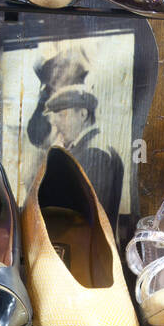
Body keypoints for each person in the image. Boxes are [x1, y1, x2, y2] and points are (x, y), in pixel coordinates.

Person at [26, 48, 125, 216]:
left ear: (83, 114)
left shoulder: (94, 152)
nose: (55, 123)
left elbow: (77, 210)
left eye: (62, 115)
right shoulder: (84, 148)